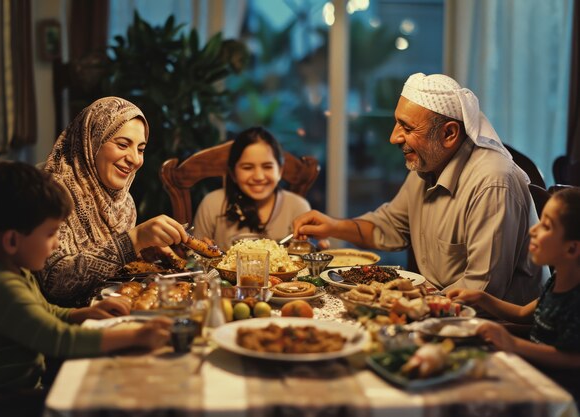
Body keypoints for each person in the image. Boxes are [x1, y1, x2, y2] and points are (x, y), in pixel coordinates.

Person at [293, 73, 547, 304]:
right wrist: (331, 226)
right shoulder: (427, 164)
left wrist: (406, 303)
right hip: (438, 306)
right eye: (396, 123)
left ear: (449, 134)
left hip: (498, 329)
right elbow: (390, 226)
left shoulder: (492, 182)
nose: (394, 137)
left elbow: (483, 290)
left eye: (407, 127)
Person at [0, 162, 173, 391]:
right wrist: (135, 336)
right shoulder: (2, 286)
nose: (57, 243)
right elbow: (59, 340)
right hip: (3, 405)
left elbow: (43, 311)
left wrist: (82, 314)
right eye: (50, 234)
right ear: (11, 241)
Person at [37, 97, 188, 307]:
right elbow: (54, 281)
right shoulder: (48, 193)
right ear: (92, 141)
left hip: (112, 315)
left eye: (141, 149)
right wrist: (132, 241)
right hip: (62, 326)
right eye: (123, 145)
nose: (135, 159)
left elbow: (108, 270)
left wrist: (142, 252)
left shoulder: (124, 203)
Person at [447, 187, 580, 370]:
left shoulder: (575, 300)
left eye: (546, 226)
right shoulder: (556, 281)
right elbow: (522, 314)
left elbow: (573, 360)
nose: (533, 230)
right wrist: (481, 298)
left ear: (572, 249)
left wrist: (513, 344)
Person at [193, 126, 319, 250]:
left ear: (280, 171)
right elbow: (195, 257)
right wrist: (202, 252)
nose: (258, 176)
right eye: (247, 167)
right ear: (233, 174)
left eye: (267, 167)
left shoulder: (297, 207)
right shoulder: (212, 204)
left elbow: (303, 258)